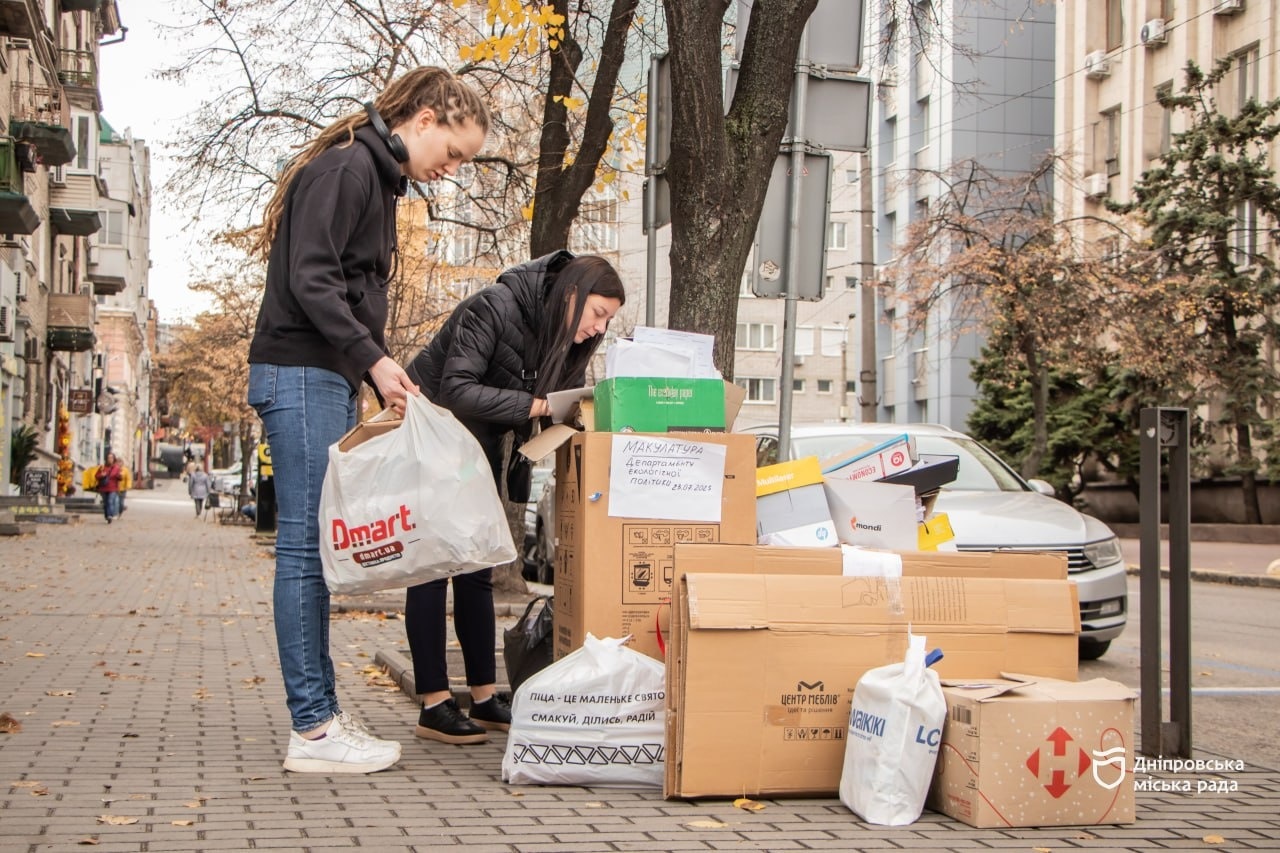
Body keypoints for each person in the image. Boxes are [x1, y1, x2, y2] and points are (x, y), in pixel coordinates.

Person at [246, 67, 490, 773]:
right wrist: (374, 361)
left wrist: (366, 367)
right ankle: (314, 729)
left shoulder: (373, 177)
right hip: (300, 370)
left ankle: (319, 713)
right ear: (424, 118)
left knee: (312, 550)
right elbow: (312, 278)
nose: (452, 170)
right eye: (454, 152)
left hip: (319, 373)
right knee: (301, 549)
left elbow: (337, 285)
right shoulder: (351, 167)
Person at [403, 251, 625, 744]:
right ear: (572, 294)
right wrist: (539, 405)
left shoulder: (560, 336)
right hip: (434, 435)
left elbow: (542, 406)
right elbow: (457, 387)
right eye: (597, 314)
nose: (599, 327)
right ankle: (434, 704)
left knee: (477, 569)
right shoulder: (496, 306)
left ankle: (483, 698)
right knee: (435, 568)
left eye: (607, 320)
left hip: (473, 448)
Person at [95, 452, 124, 524]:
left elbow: (120, 478)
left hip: (113, 488)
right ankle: (107, 515)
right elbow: (96, 476)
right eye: (109, 458)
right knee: (105, 503)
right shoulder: (102, 467)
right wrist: (102, 475)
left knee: (110, 501)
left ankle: (110, 515)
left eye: (111, 458)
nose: (110, 459)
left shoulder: (117, 468)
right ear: (106, 459)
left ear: (114, 459)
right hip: (103, 488)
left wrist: (119, 476)